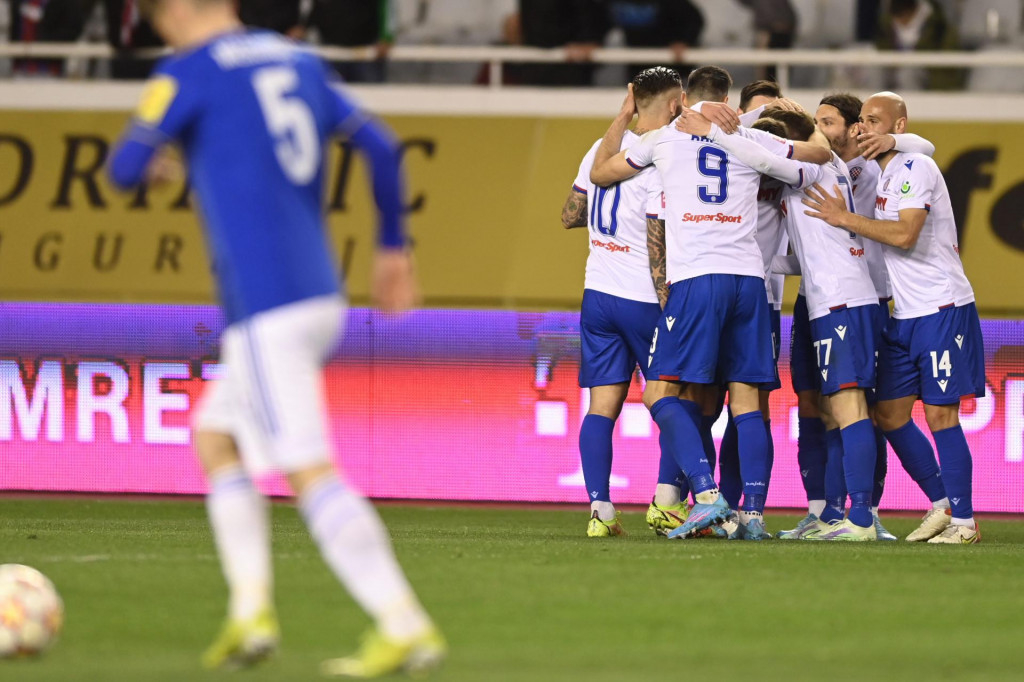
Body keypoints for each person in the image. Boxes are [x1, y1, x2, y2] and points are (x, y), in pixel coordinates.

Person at [107, 0, 446, 675]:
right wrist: (391, 249)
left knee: (307, 468)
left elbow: (121, 168)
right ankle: (249, 612)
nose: (157, 27)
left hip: (266, 305)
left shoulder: (187, 72)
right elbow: (379, 145)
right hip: (319, 289)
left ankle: (403, 622)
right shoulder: (296, 58)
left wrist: (158, 157)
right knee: (217, 437)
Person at [588, 66, 829, 540]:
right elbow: (819, 155)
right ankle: (754, 514)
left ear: (679, 100)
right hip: (749, 284)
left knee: (659, 394)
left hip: (698, 281)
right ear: (725, 99)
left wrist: (622, 117)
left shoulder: (662, 139)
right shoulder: (744, 134)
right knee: (748, 404)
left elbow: (601, 171)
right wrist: (787, 115)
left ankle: (706, 493)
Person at [803, 91, 985, 544]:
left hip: (941, 308)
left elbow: (904, 234)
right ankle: (943, 504)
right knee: (888, 413)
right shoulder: (880, 173)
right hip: (903, 314)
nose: (863, 127)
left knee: (942, 415)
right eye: (861, 120)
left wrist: (844, 219)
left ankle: (963, 523)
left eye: (875, 121)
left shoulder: (915, 167)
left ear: (899, 127)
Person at [562, 67, 691, 538]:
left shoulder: (599, 152)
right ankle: (665, 503)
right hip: (643, 298)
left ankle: (601, 510)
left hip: (597, 295)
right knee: (672, 399)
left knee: (602, 408)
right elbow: (657, 241)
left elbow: (569, 215)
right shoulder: (664, 157)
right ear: (677, 103)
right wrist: (668, 302)